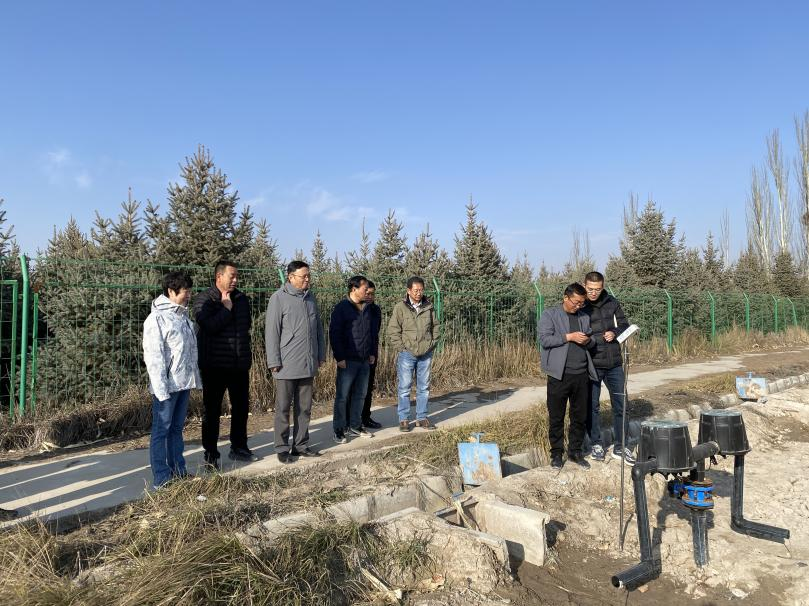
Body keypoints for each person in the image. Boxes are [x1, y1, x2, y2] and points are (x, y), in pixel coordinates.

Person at [193, 261, 255, 469]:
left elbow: (245, 327)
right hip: (215, 366)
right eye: (232, 276)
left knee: (241, 408)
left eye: (237, 276)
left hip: (239, 365)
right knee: (212, 411)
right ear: (219, 277)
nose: (235, 280)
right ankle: (211, 453)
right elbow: (208, 326)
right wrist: (226, 309)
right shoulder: (205, 299)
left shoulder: (242, 299)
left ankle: (239, 446)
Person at [143, 271, 202, 488]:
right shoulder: (156, 319)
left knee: (176, 429)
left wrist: (194, 378)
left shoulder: (183, 317)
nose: (189, 295)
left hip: (183, 383)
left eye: (190, 291)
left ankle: (179, 471)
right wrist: (160, 389)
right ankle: (161, 478)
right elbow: (154, 357)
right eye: (185, 291)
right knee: (161, 431)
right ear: (171, 291)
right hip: (166, 387)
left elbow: (189, 352)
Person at [266, 261, 326, 463]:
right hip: (286, 363)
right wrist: (274, 360)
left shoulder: (310, 298)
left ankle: (300, 445)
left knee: (305, 408)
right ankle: (282, 447)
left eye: (309, 275)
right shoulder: (278, 298)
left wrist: (320, 354)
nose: (307, 279)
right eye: (303, 276)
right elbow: (272, 331)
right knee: (283, 408)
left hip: (308, 362)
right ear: (291, 277)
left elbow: (318, 329)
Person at [538, 283, 598, 470]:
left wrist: (588, 341)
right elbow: (545, 340)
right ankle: (556, 454)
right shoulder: (550, 315)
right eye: (576, 302)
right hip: (559, 376)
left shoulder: (584, 317)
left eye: (582, 303)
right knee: (556, 416)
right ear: (565, 298)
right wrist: (568, 337)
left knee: (579, 417)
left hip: (581, 375)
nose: (578, 306)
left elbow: (592, 341)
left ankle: (575, 452)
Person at [582, 271, 635, 464]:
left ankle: (621, 447)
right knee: (592, 406)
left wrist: (614, 332)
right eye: (590, 289)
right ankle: (596, 444)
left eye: (597, 289)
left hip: (614, 364)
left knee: (622, 405)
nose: (593, 293)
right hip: (592, 364)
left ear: (602, 287)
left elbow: (624, 325)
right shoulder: (580, 304)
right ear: (584, 285)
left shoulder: (612, 302)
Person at [387, 276, 440, 432]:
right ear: (408, 290)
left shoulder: (428, 306)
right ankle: (404, 419)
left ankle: (421, 418)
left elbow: (436, 327)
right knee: (404, 388)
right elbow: (393, 330)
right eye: (416, 290)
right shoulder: (400, 307)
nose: (418, 293)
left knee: (424, 387)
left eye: (421, 290)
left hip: (425, 353)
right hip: (407, 354)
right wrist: (401, 348)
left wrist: (432, 344)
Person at [330, 275, 378, 443]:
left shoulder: (367, 308)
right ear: (354, 289)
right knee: (342, 396)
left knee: (360, 394)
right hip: (348, 360)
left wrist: (371, 352)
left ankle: (355, 425)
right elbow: (334, 333)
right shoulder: (342, 308)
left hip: (364, 360)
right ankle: (339, 429)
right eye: (365, 289)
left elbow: (371, 333)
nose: (367, 292)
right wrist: (339, 357)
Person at [360, 281, 383, 429]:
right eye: (367, 293)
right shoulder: (352, 308)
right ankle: (350, 420)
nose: (369, 296)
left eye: (372, 294)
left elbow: (375, 334)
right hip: (354, 356)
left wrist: (373, 353)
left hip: (371, 356)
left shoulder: (376, 310)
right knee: (352, 390)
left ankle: (366, 417)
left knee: (368, 388)